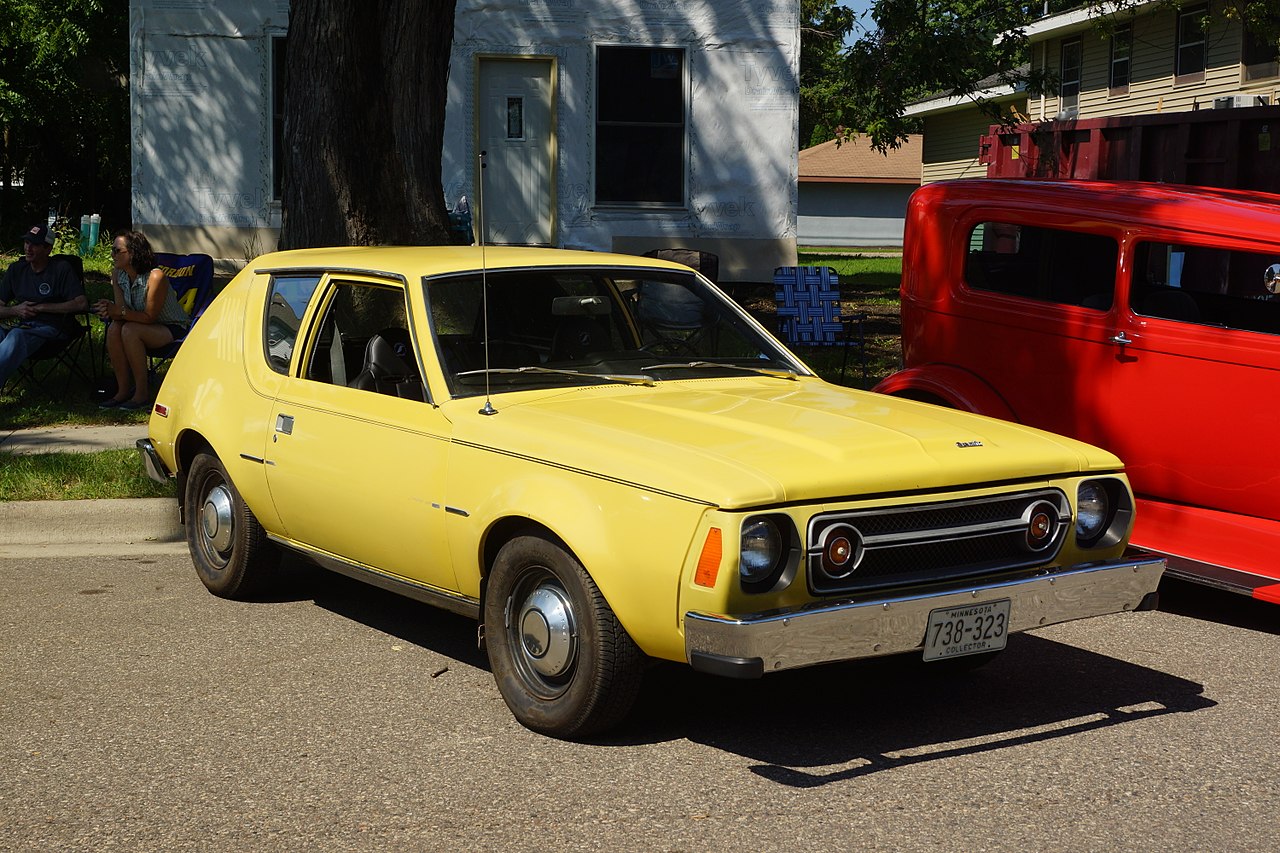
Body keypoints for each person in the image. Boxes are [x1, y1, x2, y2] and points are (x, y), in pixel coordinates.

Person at [94, 230, 189, 409]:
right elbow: (122, 312)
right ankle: (122, 391)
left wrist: (118, 311)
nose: (112, 255)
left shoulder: (155, 276)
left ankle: (141, 394)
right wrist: (108, 309)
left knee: (130, 330)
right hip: (139, 324)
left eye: (117, 251)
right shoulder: (118, 274)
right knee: (115, 328)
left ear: (133, 253)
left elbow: (150, 316)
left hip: (171, 328)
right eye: (112, 250)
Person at [0, 223, 89, 388]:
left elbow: (81, 303)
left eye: (34, 244)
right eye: (27, 242)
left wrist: (42, 307)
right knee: (14, 334)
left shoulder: (61, 269)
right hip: (23, 326)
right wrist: (15, 310)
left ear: (48, 249)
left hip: (52, 330)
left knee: (16, 336)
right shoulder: (16, 270)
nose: (28, 248)